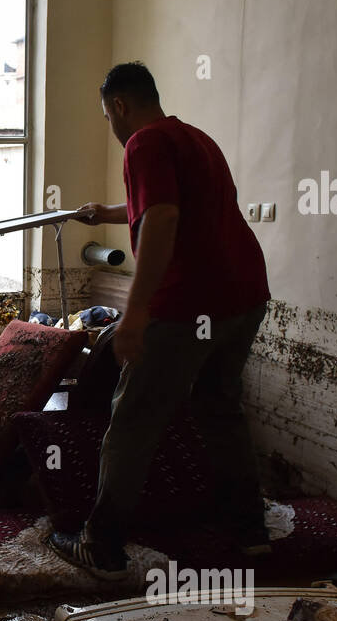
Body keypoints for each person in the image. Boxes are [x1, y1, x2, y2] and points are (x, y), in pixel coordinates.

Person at [47, 62, 272, 578]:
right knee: (220, 408)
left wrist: (135, 311)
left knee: (133, 420)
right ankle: (249, 530)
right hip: (245, 297)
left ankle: (100, 546)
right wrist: (110, 213)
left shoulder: (143, 144)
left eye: (108, 115)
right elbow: (171, 204)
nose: (112, 125)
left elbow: (164, 218)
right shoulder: (195, 138)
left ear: (121, 105)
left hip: (187, 305)